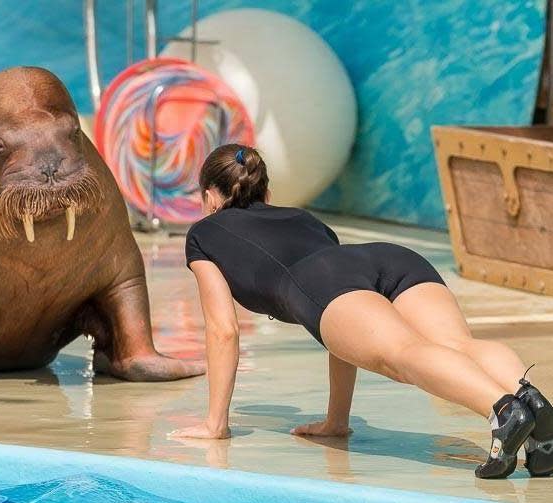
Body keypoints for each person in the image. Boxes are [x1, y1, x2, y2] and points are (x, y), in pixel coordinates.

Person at [170, 144, 553, 479]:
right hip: (387, 257)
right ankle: (530, 401)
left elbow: (223, 329)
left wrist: (215, 424)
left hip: (323, 279)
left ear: (209, 198)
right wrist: (337, 421)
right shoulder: (304, 219)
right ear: (266, 192)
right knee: (458, 344)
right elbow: (345, 336)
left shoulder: (205, 234)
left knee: (404, 354)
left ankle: (503, 412)